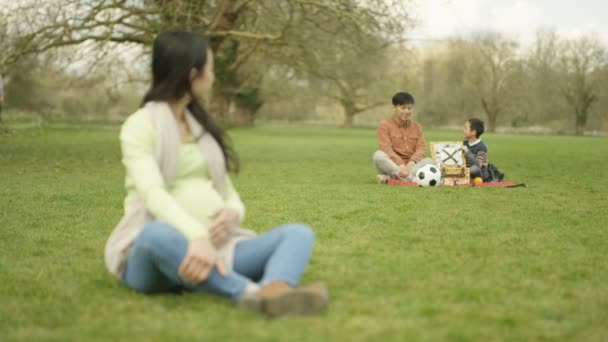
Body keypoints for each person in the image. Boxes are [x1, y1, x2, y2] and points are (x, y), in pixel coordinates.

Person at [104, 30, 328, 318]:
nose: (212, 76)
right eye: (210, 69)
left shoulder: (199, 127)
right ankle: (249, 294)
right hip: (155, 258)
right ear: (193, 74)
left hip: (218, 249)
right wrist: (195, 237)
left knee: (298, 233)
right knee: (155, 234)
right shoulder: (140, 125)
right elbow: (152, 193)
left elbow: (226, 189)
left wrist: (233, 213)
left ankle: (276, 290)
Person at [372, 92, 434, 183]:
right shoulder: (384, 125)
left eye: (409, 108)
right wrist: (400, 164)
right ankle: (410, 179)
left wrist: (412, 162)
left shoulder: (417, 127)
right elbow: (386, 148)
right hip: (393, 166)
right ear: (394, 108)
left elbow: (421, 148)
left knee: (429, 161)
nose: (406, 111)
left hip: (412, 167)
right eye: (403, 108)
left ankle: (391, 178)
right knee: (378, 156)